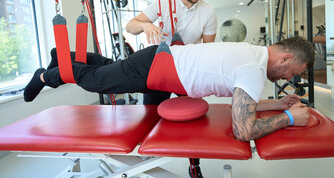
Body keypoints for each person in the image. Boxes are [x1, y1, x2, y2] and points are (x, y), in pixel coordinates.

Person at [24, 36, 314, 142]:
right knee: (93, 81)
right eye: (293, 72)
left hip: (164, 69)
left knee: (145, 108)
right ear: (286, 58)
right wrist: (290, 119)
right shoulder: (253, 70)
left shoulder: (253, 55)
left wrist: (277, 105)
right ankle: (48, 74)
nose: (288, 78)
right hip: (157, 68)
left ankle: (64, 56)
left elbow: (243, 106)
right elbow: (243, 130)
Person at [128, 0, 217, 174]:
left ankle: (194, 165)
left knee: (193, 119)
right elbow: (130, 27)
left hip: (188, 72)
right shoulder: (163, 3)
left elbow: (208, 50)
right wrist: (145, 24)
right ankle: (145, 162)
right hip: (161, 68)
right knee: (150, 114)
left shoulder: (208, 12)